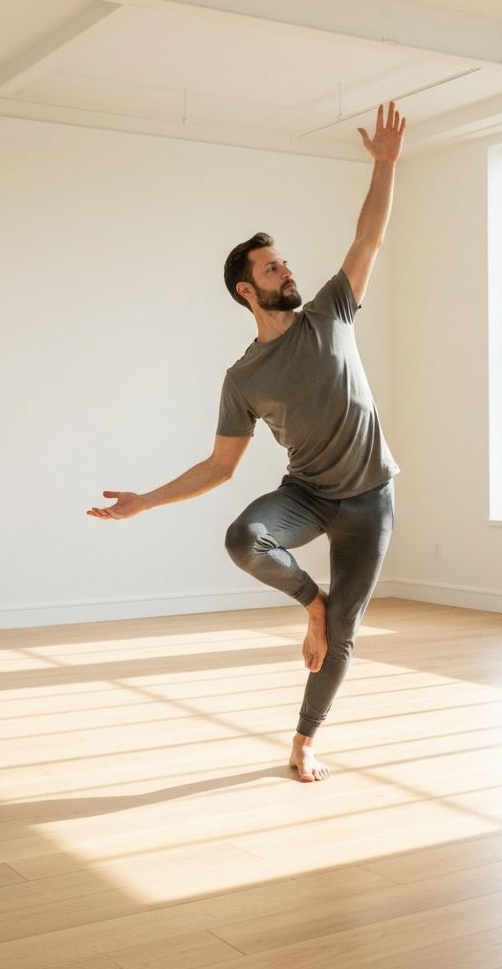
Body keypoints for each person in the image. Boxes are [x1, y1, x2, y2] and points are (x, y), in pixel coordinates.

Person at [88, 101, 406, 782]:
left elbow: (368, 239)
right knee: (243, 538)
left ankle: (304, 742)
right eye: (271, 269)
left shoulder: (330, 312)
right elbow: (219, 466)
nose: (286, 272)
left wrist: (383, 167)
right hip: (309, 496)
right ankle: (311, 604)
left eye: (284, 263)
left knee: (343, 634)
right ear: (246, 289)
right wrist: (145, 501)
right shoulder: (244, 375)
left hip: (369, 502)